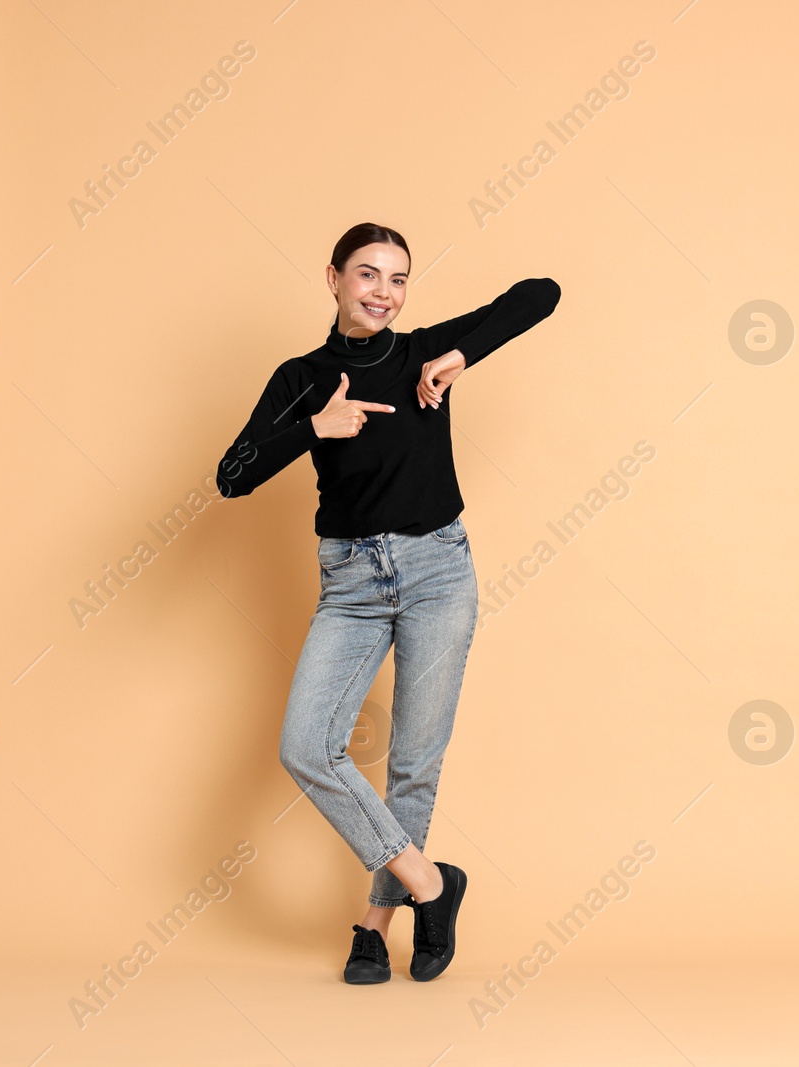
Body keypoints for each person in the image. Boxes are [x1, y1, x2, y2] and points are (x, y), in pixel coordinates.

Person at [215, 222, 561, 983]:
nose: (383, 292)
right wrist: (313, 428)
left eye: (398, 279)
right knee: (308, 745)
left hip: (439, 568)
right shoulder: (300, 377)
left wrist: (459, 355)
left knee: (413, 763)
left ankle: (373, 925)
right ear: (333, 277)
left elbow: (541, 294)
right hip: (352, 585)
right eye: (367, 274)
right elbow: (231, 475)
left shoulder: (421, 353)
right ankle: (435, 885)